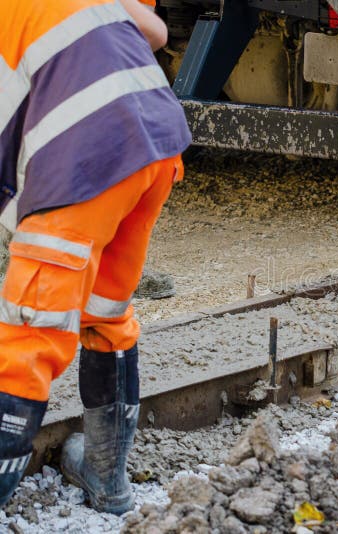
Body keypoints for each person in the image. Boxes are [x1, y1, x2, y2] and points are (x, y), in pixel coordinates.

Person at [0, 0, 190, 514]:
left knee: (26, 334)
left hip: (85, 153)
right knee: (105, 311)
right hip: (154, 142)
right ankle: (107, 478)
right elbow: (151, 29)